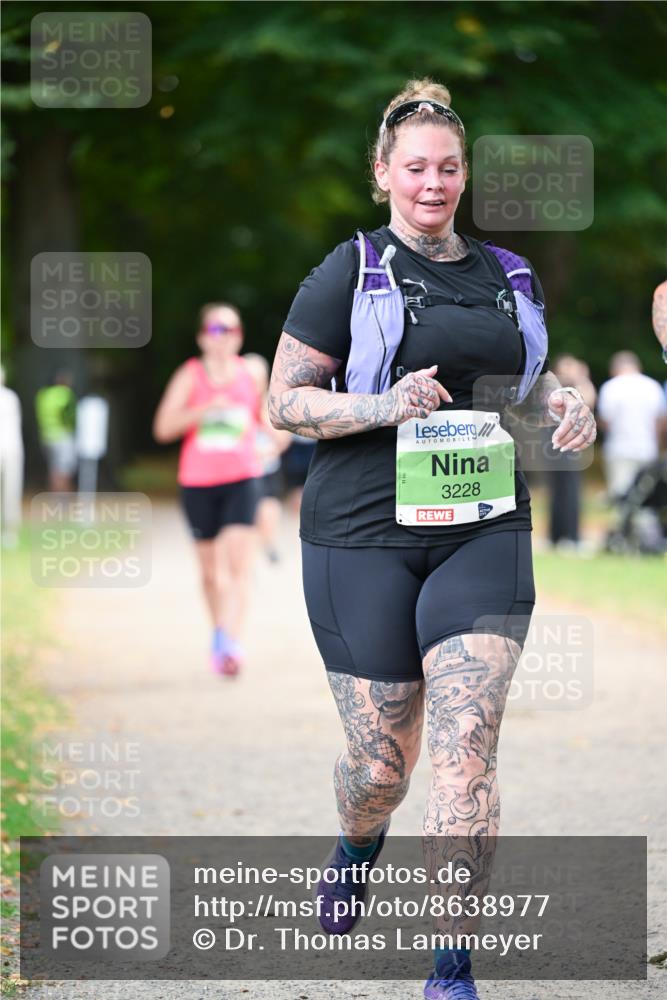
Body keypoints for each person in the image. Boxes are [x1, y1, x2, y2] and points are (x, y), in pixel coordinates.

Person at [269, 79, 596, 999]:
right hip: (361, 532)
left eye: (448, 167)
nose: (432, 183)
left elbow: (521, 389)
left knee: (463, 743)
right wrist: (384, 401)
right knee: (380, 762)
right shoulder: (352, 269)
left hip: (481, 525)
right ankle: (357, 839)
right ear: (382, 174)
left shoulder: (506, 277)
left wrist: (562, 403)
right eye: (414, 167)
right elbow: (283, 402)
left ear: (464, 175)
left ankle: (450, 965)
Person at [153, 302, 262, 676]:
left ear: (239, 337)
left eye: (230, 330)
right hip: (199, 481)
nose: (223, 337)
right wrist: (202, 411)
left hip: (243, 477)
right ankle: (218, 632)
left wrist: (274, 441)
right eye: (216, 329)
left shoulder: (251, 374)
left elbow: (264, 420)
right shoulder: (190, 375)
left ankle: (233, 642)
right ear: (202, 337)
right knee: (211, 573)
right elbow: (163, 428)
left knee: (238, 565)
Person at [597, 351, 666, 501]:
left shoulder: (610, 387)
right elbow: (660, 421)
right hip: (647, 448)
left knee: (621, 497)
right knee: (646, 498)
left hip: (619, 448)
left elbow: (605, 421)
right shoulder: (652, 386)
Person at [544, 355, 596, 550]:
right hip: (554, 447)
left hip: (571, 448)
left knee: (571, 490)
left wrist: (581, 378)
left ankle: (571, 535)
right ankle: (556, 535)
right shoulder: (553, 389)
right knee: (557, 490)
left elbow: (590, 401)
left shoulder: (578, 391)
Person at [243, 353, 291, 563]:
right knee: (247, 516)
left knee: (269, 510)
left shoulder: (271, 403)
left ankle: (268, 543)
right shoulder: (233, 403)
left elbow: (283, 440)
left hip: (268, 467)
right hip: (242, 470)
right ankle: (247, 555)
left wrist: (260, 415)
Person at [35, 370, 77, 492]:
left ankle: (55, 497)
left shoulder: (43, 394)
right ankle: (63, 498)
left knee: (53, 469)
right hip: (62, 436)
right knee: (64, 470)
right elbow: (70, 415)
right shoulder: (65, 394)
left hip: (46, 437)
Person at [0, 365, 24, 548]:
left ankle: (10, 531)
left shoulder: (10, 397)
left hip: (11, 449)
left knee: (11, 491)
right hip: (10, 448)